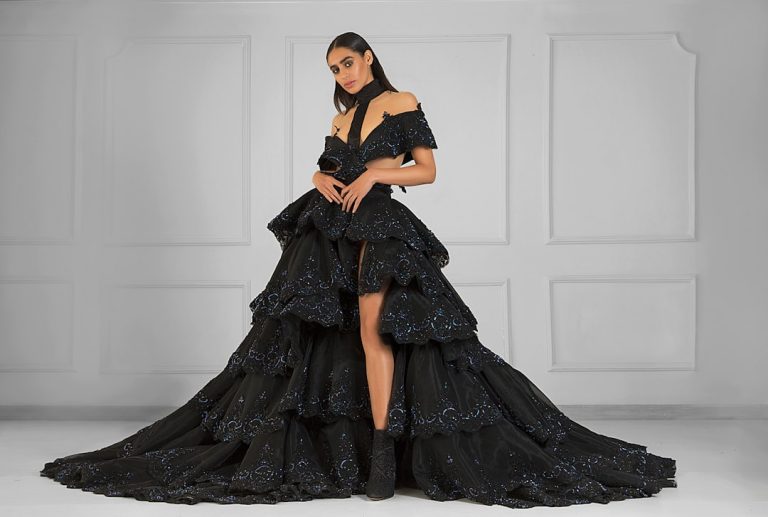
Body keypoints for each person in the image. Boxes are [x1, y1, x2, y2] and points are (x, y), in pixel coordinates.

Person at [40, 32, 677, 507]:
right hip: (328, 232)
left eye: (347, 63)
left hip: (378, 228)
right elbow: (329, 167)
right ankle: (360, 452)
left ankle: (381, 456)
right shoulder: (340, 116)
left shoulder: (399, 100)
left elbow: (427, 170)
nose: (341, 75)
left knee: (375, 335)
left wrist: (374, 174)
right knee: (316, 339)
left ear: (368, 57)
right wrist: (320, 176)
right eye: (333, 69)